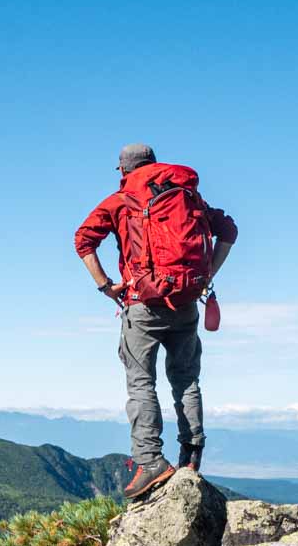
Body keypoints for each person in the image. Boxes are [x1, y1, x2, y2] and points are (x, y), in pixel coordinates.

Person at [74, 144, 238, 499]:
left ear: (123, 170)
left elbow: (83, 240)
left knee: (140, 383)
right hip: (185, 302)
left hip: (142, 304)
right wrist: (206, 275)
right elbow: (228, 231)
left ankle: (150, 462)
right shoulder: (187, 194)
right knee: (186, 380)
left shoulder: (121, 199)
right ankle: (191, 455)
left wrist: (104, 286)